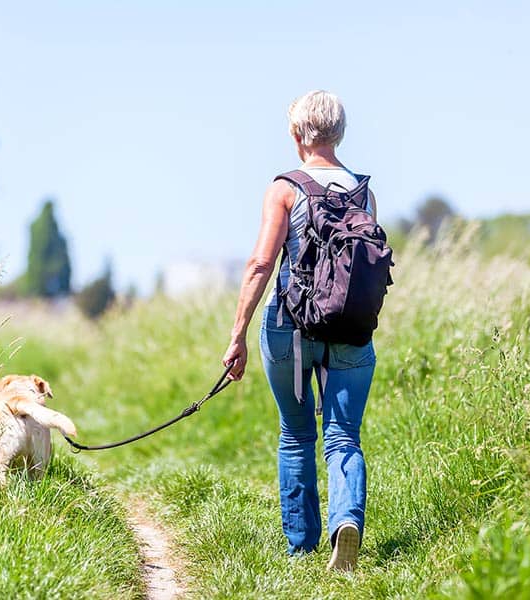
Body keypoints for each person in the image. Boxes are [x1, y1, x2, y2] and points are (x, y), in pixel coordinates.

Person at [222, 90, 377, 572]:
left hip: (290, 329)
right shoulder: (363, 191)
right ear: (340, 133)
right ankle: (346, 522)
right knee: (344, 436)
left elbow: (261, 263)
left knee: (295, 433)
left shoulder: (284, 188)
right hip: (351, 329)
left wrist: (238, 333)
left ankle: (301, 548)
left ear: (296, 135)